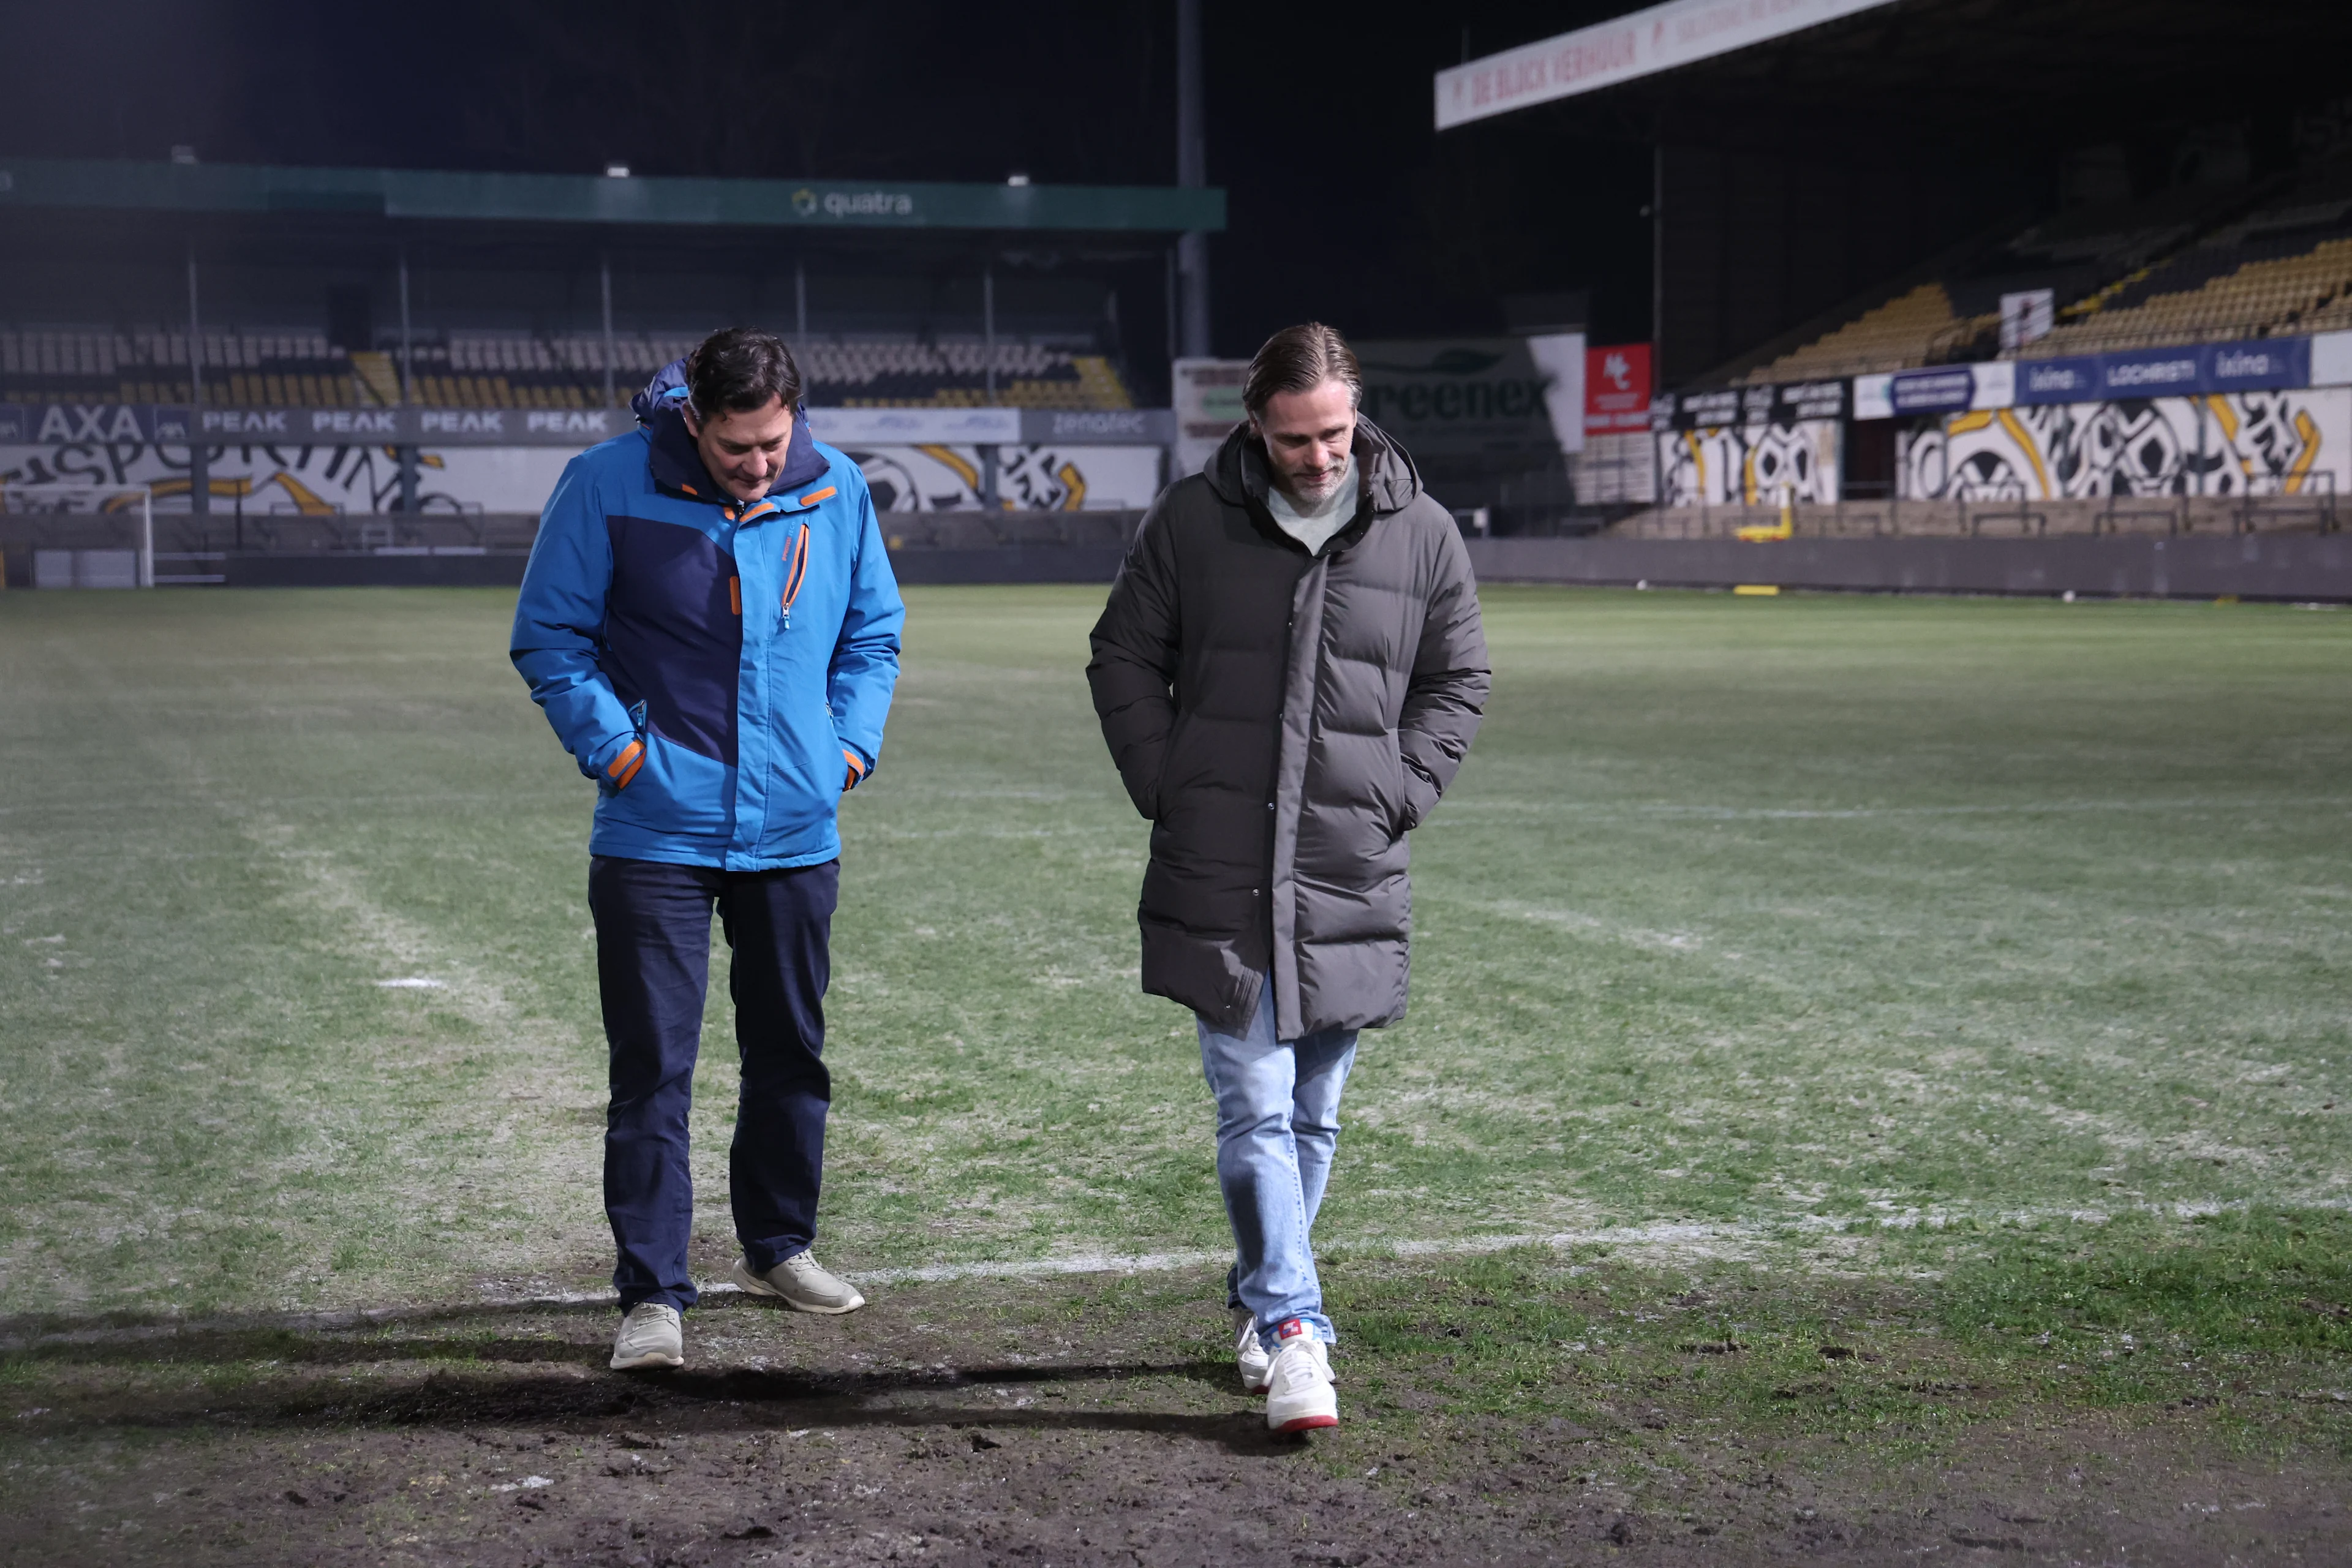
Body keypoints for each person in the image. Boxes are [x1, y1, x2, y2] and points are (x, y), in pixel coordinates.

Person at [1086, 323, 1490, 1431]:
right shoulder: (1191, 521)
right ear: (1255, 427)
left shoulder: (1423, 532)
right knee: (1255, 1105)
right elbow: (1120, 653)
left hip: (1346, 867)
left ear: (1357, 417)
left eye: (1335, 434)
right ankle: (1301, 1327)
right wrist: (1168, 781)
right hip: (1221, 865)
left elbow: (1459, 678)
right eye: (1296, 438)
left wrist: (1399, 792)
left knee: (1313, 1117)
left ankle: (1260, 1310)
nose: (1319, 457)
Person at [511, 326, 904, 1372]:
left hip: (796, 829)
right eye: (739, 448)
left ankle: (779, 1246)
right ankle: (651, 1293)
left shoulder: (838, 490)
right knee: (654, 1071)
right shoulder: (606, 483)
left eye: (775, 444)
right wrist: (623, 754)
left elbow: (874, 632)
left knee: (791, 1053)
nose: (761, 465)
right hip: (656, 832)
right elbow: (549, 636)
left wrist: (849, 750)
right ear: (695, 419)